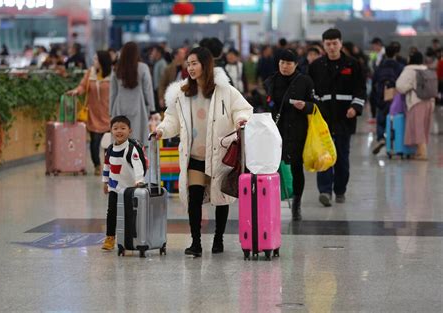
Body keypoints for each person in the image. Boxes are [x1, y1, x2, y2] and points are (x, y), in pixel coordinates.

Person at [155, 47, 253, 257]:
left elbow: (243, 109)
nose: (190, 68)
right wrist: (162, 130)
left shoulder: (224, 90)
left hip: (219, 152)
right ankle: (196, 242)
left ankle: (218, 238)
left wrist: (240, 120)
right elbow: (172, 118)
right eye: (188, 64)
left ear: (206, 64)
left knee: (221, 196)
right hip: (194, 156)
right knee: (195, 197)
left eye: (194, 63)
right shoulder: (182, 93)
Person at [308, 28, 366, 207]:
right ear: (323, 45)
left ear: (341, 43)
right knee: (323, 156)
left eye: (335, 43)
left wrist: (355, 108)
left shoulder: (353, 65)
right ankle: (325, 191)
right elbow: (311, 92)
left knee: (342, 157)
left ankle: (340, 189)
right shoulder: (316, 66)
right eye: (328, 44)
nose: (332, 47)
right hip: (323, 119)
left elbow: (360, 90)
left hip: (344, 118)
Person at [264, 49, 315, 221]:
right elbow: (268, 102)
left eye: (288, 63)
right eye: (282, 63)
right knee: (272, 166)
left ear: (296, 64)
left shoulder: (304, 81)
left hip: (297, 130)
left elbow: (315, 105)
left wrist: (305, 106)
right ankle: (272, 201)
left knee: (296, 168)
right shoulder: (271, 80)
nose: (284, 67)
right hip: (276, 130)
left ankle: (297, 204)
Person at [101, 116, 146, 250]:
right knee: (112, 212)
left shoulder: (131, 149)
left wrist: (139, 181)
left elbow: (138, 166)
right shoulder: (109, 149)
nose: (119, 131)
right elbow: (107, 166)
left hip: (129, 189)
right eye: (115, 128)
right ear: (111, 131)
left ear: (129, 131)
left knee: (129, 213)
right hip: (114, 187)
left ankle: (130, 237)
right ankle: (110, 238)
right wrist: (105, 182)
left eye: (123, 128)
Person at [67, 51, 112, 175]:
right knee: (94, 142)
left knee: (108, 144)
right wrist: (76, 91)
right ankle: (97, 165)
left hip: (108, 114)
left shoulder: (112, 75)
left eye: (96, 59)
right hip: (93, 114)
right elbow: (82, 86)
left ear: (103, 61)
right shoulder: (90, 73)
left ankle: (109, 166)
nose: (94, 62)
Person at [110, 41, 156, 144]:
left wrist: (110, 112)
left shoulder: (116, 69)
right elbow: (147, 90)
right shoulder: (143, 68)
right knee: (137, 139)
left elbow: (113, 92)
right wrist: (152, 109)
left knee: (120, 140)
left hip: (119, 107)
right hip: (138, 107)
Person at [396, 52, 435, 160]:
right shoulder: (426, 69)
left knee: (417, 127)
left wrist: (409, 86)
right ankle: (419, 151)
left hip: (416, 101)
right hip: (430, 101)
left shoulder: (409, 70)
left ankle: (422, 153)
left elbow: (400, 86)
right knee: (424, 126)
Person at [371, 45, 404, 155]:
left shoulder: (380, 66)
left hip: (381, 95)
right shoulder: (399, 67)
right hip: (394, 96)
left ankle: (381, 138)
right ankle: (392, 140)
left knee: (381, 119)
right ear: (395, 54)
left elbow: (374, 81)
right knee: (393, 119)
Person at [150, 45, 168, 112]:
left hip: (160, 92)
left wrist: (161, 96)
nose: (152, 53)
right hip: (157, 92)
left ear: (158, 53)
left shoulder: (162, 63)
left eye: (153, 51)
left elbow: (163, 81)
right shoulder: (157, 62)